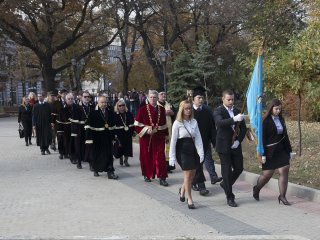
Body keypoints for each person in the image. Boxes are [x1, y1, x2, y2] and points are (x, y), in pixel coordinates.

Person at [253, 99, 293, 205]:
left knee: (284, 170)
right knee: (267, 175)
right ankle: (257, 188)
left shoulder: (281, 119)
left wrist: (289, 151)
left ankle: (282, 196)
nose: (278, 111)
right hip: (269, 151)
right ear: (271, 108)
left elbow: (285, 136)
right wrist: (263, 154)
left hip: (281, 150)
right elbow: (263, 138)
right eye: (276, 109)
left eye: (280, 109)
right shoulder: (265, 121)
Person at [213, 89, 246, 207]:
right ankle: (230, 197)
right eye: (229, 99)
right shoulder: (218, 111)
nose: (231, 102)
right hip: (223, 145)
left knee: (239, 168)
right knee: (226, 171)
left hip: (235, 145)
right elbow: (219, 123)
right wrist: (234, 119)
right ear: (223, 99)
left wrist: (238, 141)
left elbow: (244, 129)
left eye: (232, 99)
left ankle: (225, 184)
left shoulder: (237, 111)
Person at [169, 100, 204, 209]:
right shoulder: (177, 123)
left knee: (193, 174)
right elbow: (173, 141)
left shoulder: (194, 121)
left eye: (190, 108)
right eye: (186, 108)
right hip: (182, 150)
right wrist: (171, 157)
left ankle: (182, 189)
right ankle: (190, 199)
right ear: (182, 109)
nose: (188, 110)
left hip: (192, 149)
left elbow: (198, 137)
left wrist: (201, 152)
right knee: (187, 174)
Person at [191, 87, 222, 196]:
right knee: (198, 164)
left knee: (206, 160)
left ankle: (195, 181)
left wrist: (215, 142)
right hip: (192, 143)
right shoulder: (188, 110)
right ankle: (201, 186)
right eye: (198, 97)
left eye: (202, 98)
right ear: (193, 99)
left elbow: (212, 128)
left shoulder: (207, 110)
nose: (201, 100)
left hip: (205, 141)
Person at [134, 90, 169, 186]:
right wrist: (145, 129)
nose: (153, 99)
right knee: (146, 156)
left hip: (159, 137)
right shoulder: (142, 110)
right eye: (151, 97)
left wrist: (166, 136)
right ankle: (147, 174)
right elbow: (136, 125)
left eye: (154, 97)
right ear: (148, 98)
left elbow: (164, 125)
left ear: (157, 98)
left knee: (161, 157)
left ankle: (162, 177)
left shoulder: (161, 110)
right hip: (146, 138)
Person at [85, 95, 118, 179]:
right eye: (102, 102)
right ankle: (96, 169)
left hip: (107, 137)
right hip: (97, 137)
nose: (104, 104)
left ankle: (110, 172)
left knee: (109, 154)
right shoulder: (93, 113)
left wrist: (114, 137)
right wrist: (89, 139)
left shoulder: (110, 112)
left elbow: (113, 125)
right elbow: (88, 126)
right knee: (97, 154)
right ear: (98, 102)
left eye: (105, 102)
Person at [157, 91, 176, 172]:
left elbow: (174, 114)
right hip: (160, 130)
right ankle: (160, 167)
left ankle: (168, 167)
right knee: (161, 149)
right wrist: (163, 113)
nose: (163, 95)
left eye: (164, 94)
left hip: (169, 129)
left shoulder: (168, 104)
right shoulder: (156, 105)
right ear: (158, 96)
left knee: (169, 148)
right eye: (161, 94)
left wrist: (172, 113)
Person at [57, 93, 77, 162]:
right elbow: (59, 122)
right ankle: (71, 157)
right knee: (68, 143)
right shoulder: (62, 110)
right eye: (69, 99)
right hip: (66, 129)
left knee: (75, 143)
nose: (70, 100)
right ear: (66, 100)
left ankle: (74, 156)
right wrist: (60, 132)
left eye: (72, 99)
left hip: (75, 129)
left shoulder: (77, 108)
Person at [113, 99, 135, 166]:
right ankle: (120, 158)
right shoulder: (115, 115)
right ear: (117, 106)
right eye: (120, 106)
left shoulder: (129, 114)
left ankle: (126, 161)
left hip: (127, 133)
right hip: (119, 133)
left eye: (123, 105)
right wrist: (114, 134)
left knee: (127, 147)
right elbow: (113, 125)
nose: (121, 107)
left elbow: (132, 123)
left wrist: (133, 131)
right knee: (120, 147)